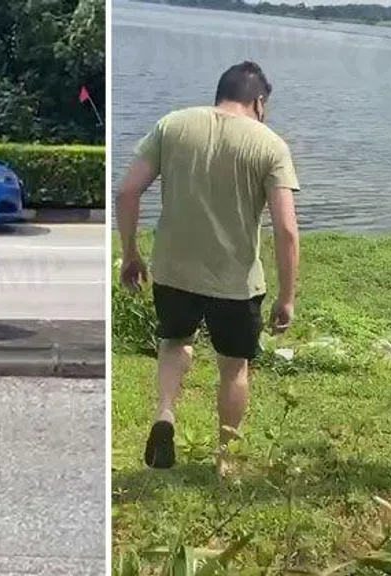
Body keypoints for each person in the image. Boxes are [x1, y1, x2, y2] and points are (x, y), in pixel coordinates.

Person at [115, 61, 301, 477]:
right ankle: (225, 458)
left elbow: (127, 191)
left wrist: (131, 253)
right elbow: (286, 230)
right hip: (236, 281)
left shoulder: (172, 125)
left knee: (174, 342)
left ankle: (165, 414)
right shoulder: (270, 145)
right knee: (234, 366)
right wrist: (287, 297)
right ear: (258, 100)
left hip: (173, 270)